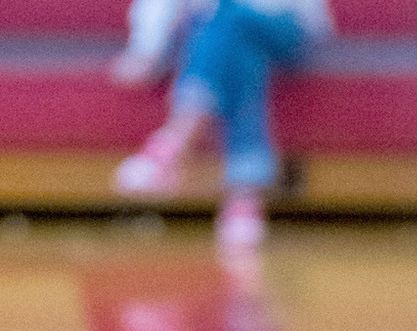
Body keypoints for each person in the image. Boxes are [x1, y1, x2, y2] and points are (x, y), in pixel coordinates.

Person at [111, 0, 333, 248]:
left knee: (231, 19)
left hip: (286, 29)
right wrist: (146, 50)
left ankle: (174, 142)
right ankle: (244, 193)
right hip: (224, 39)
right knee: (240, 50)